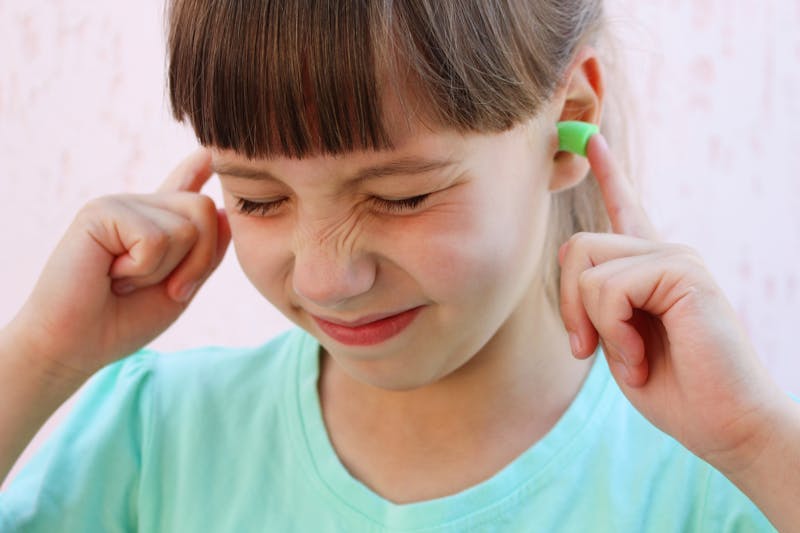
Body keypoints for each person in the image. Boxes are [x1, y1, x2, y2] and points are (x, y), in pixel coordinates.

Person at [1, 0, 798, 531]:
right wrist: (39, 357)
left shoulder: (709, 482)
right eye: (257, 197)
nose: (323, 278)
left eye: (404, 197)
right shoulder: (154, 444)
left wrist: (760, 445)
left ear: (571, 121)